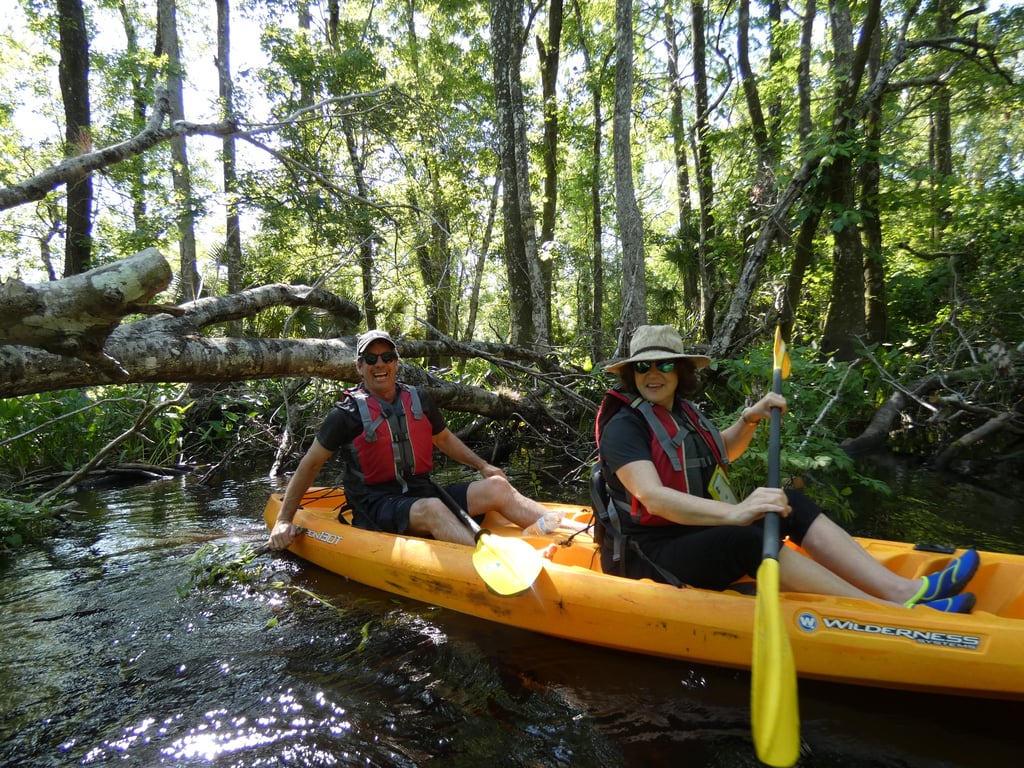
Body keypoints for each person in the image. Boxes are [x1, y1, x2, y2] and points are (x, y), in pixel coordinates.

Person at [595, 324, 979, 613]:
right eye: (643, 366)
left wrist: (749, 420)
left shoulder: (681, 412)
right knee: (745, 539)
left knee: (787, 501)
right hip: (651, 555)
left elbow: (720, 452)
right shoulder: (624, 426)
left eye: (664, 364)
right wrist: (736, 512)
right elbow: (653, 497)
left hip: (694, 531)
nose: (653, 374)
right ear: (632, 374)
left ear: (680, 371)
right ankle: (883, 613)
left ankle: (900, 590)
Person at [268, 329, 552, 550]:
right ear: (359, 366)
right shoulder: (346, 414)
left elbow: (443, 439)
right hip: (376, 505)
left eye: (387, 357)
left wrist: (483, 466)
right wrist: (283, 520)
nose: (380, 364)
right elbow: (310, 465)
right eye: (371, 359)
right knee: (434, 509)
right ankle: (494, 562)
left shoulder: (418, 399)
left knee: (498, 488)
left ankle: (564, 532)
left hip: (420, 491)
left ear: (396, 362)